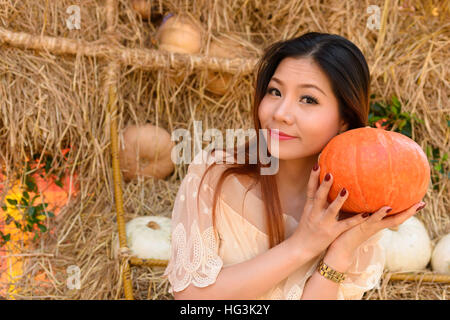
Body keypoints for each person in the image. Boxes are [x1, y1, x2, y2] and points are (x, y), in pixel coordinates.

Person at [162, 32, 426, 300]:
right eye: (275, 92)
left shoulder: (355, 206)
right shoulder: (214, 174)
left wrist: (340, 251)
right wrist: (302, 245)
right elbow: (191, 298)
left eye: (308, 99)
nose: (280, 113)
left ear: (344, 120)